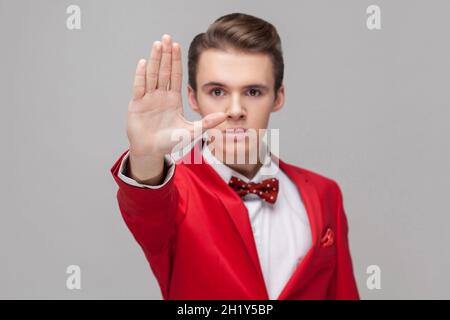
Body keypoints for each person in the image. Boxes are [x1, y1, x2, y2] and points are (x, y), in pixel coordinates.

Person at [110, 12, 360, 300]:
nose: (236, 109)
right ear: (192, 98)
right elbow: (145, 204)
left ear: (278, 97)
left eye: (253, 91)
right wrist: (146, 156)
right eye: (217, 91)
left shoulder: (324, 193)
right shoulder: (174, 192)